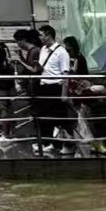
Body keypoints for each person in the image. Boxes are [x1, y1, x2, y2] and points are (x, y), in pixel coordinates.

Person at [36, 25, 71, 155]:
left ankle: (67, 144)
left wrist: (64, 93)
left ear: (48, 35)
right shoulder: (43, 50)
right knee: (46, 117)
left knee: (60, 118)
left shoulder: (61, 52)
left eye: (41, 35)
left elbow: (65, 74)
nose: (40, 38)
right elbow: (41, 68)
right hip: (44, 86)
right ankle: (51, 143)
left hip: (56, 87)